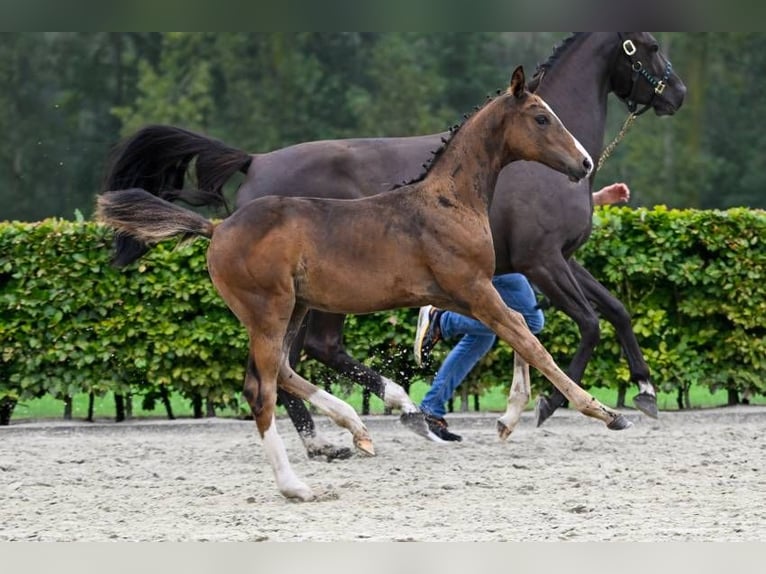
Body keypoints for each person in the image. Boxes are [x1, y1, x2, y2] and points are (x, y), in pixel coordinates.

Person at [413, 182, 631, 442]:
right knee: (530, 321)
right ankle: (442, 321)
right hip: (494, 255)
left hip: (492, 251)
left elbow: (539, 208)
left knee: (482, 335)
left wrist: (596, 199)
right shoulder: (517, 160)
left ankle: (430, 410)